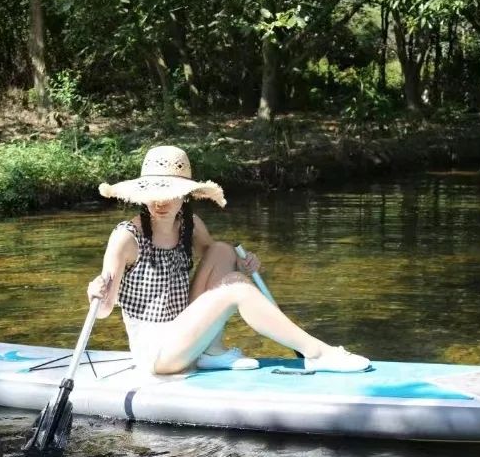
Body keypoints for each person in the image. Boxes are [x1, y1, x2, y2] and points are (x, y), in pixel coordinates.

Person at [87, 145, 370, 375]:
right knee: (235, 290)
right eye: (153, 193)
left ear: (185, 195)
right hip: (158, 353)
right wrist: (94, 294)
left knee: (223, 253)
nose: (160, 202)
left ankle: (212, 351)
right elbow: (104, 309)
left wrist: (244, 264)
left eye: (169, 193)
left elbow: (220, 262)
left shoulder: (191, 224)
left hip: (187, 330)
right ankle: (318, 353)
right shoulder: (126, 237)